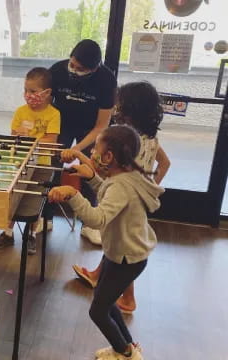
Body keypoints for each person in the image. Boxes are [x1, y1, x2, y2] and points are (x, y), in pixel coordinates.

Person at [48, 125, 164, 360]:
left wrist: (72, 192)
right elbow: (107, 193)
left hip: (127, 259)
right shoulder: (124, 177)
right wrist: (91, 176)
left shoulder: (121, 185)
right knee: (106, 301)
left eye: (94, 151)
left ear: (109, 156)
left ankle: (124, 353)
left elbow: (97, 219)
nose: (91, 155)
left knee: (98, 311)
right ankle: (128, 347)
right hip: (122, 254)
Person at [71, 81, 171, 314]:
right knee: (115, 241)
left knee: (125, 253)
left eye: (120, 104)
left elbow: (102, 170)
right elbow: (165, 163)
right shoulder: (149, 139)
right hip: (129, 198)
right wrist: (149, 188)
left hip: (121, 198)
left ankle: (128, 299)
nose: (116, 108)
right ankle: (97, 274)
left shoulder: (126, 141)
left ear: (131, 109)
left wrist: (81, 158)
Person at [50, 39, 117, 246]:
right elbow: (44, 102)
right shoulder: (57, 70)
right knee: (49, 165)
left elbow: (102, 126)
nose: (74, 70)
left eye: (80, 69)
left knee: (91, 170)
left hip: (91, 129)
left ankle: (90, 225)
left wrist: (78, 150)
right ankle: (46, 217)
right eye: (72, 65)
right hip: (61, 124)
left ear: (94, 68)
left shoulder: (106, 79)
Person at [0, 67, 60, 255]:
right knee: (14, 198)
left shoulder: (54, 114)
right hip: (20, 163)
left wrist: (31, 138)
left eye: (33, 91)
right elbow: (14, 136)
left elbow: (51, 143)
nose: (28, 95)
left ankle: (31, 235)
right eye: (26, 90)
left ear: (46, 93)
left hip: (42, 165)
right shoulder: (21, 112)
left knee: (34, 202)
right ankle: (7, 232)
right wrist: (21, 136)